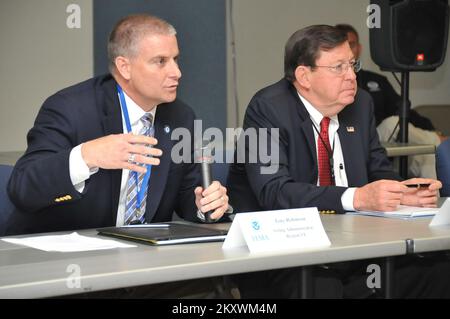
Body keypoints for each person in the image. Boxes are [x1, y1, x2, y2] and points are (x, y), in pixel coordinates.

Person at [227, 25, 450, 298]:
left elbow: (378, 169)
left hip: (355, 246)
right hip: (287, 252)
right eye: (338, 67)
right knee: (322, 286)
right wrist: (356, 198)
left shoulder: (360, 104)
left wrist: (404, 194)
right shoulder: (267, 108)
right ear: (304, 76)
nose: (351, 76)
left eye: (352, 65)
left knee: (438, 270)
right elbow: (274, 191)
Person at [335, 23, 447, 179]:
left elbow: (402, 109)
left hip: (381, 144)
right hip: (351, 137)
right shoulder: (331, 81)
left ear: (359, 48)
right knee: (393, 123)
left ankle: (435, 200)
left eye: (352, 44)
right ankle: (437, 140)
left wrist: (431, 128)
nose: (348, 49)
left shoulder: (377, 80)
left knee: (426, 154)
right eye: (343, 44)